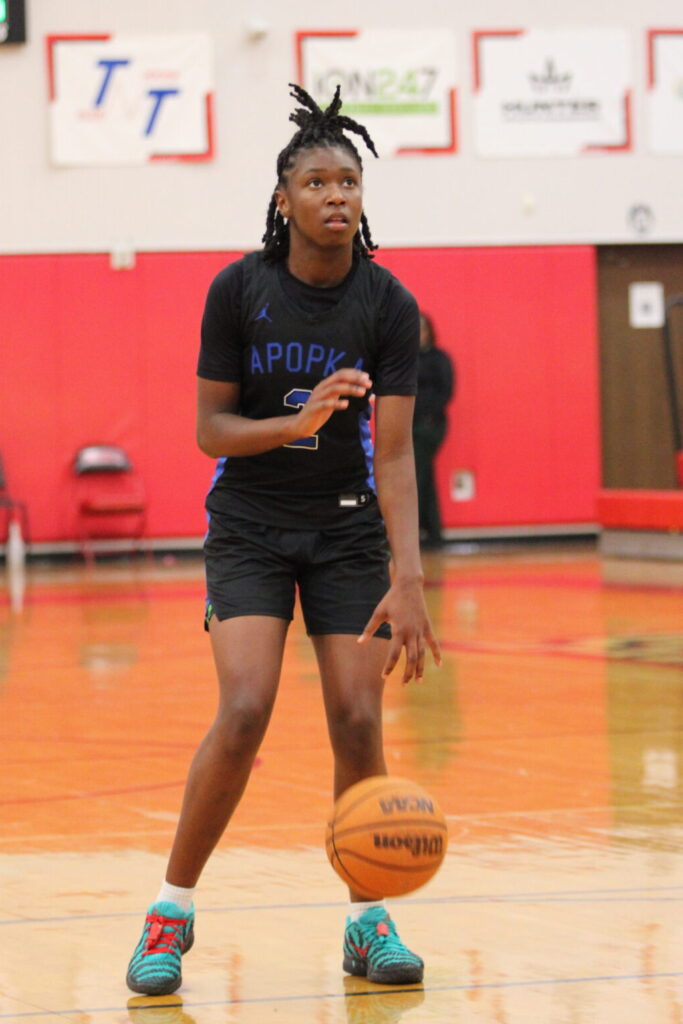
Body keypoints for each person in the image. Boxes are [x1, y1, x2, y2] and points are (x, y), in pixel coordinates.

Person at [125, 83, 440, 997]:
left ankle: (366, 920)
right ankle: (169, 912)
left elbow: (397, 453)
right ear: (283, 198)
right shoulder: (239, 291)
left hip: (346, 533)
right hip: (251, 526)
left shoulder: (386, 302)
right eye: (317, 181)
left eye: (349, 181)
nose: (336, 196)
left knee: (355, 715)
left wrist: (409, 577)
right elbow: (210, 432)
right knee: (247, 707)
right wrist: (295, 423)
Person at [412, 312, 454, 549]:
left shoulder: (440, 359)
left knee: (415, 475)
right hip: (409, 425)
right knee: (424, 476)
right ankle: (433, 533)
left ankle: (415, 532)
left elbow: (446, 392)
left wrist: (427, 416)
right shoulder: (406, 358)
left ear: (430, 331)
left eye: (423, 329)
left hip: (431, 425)